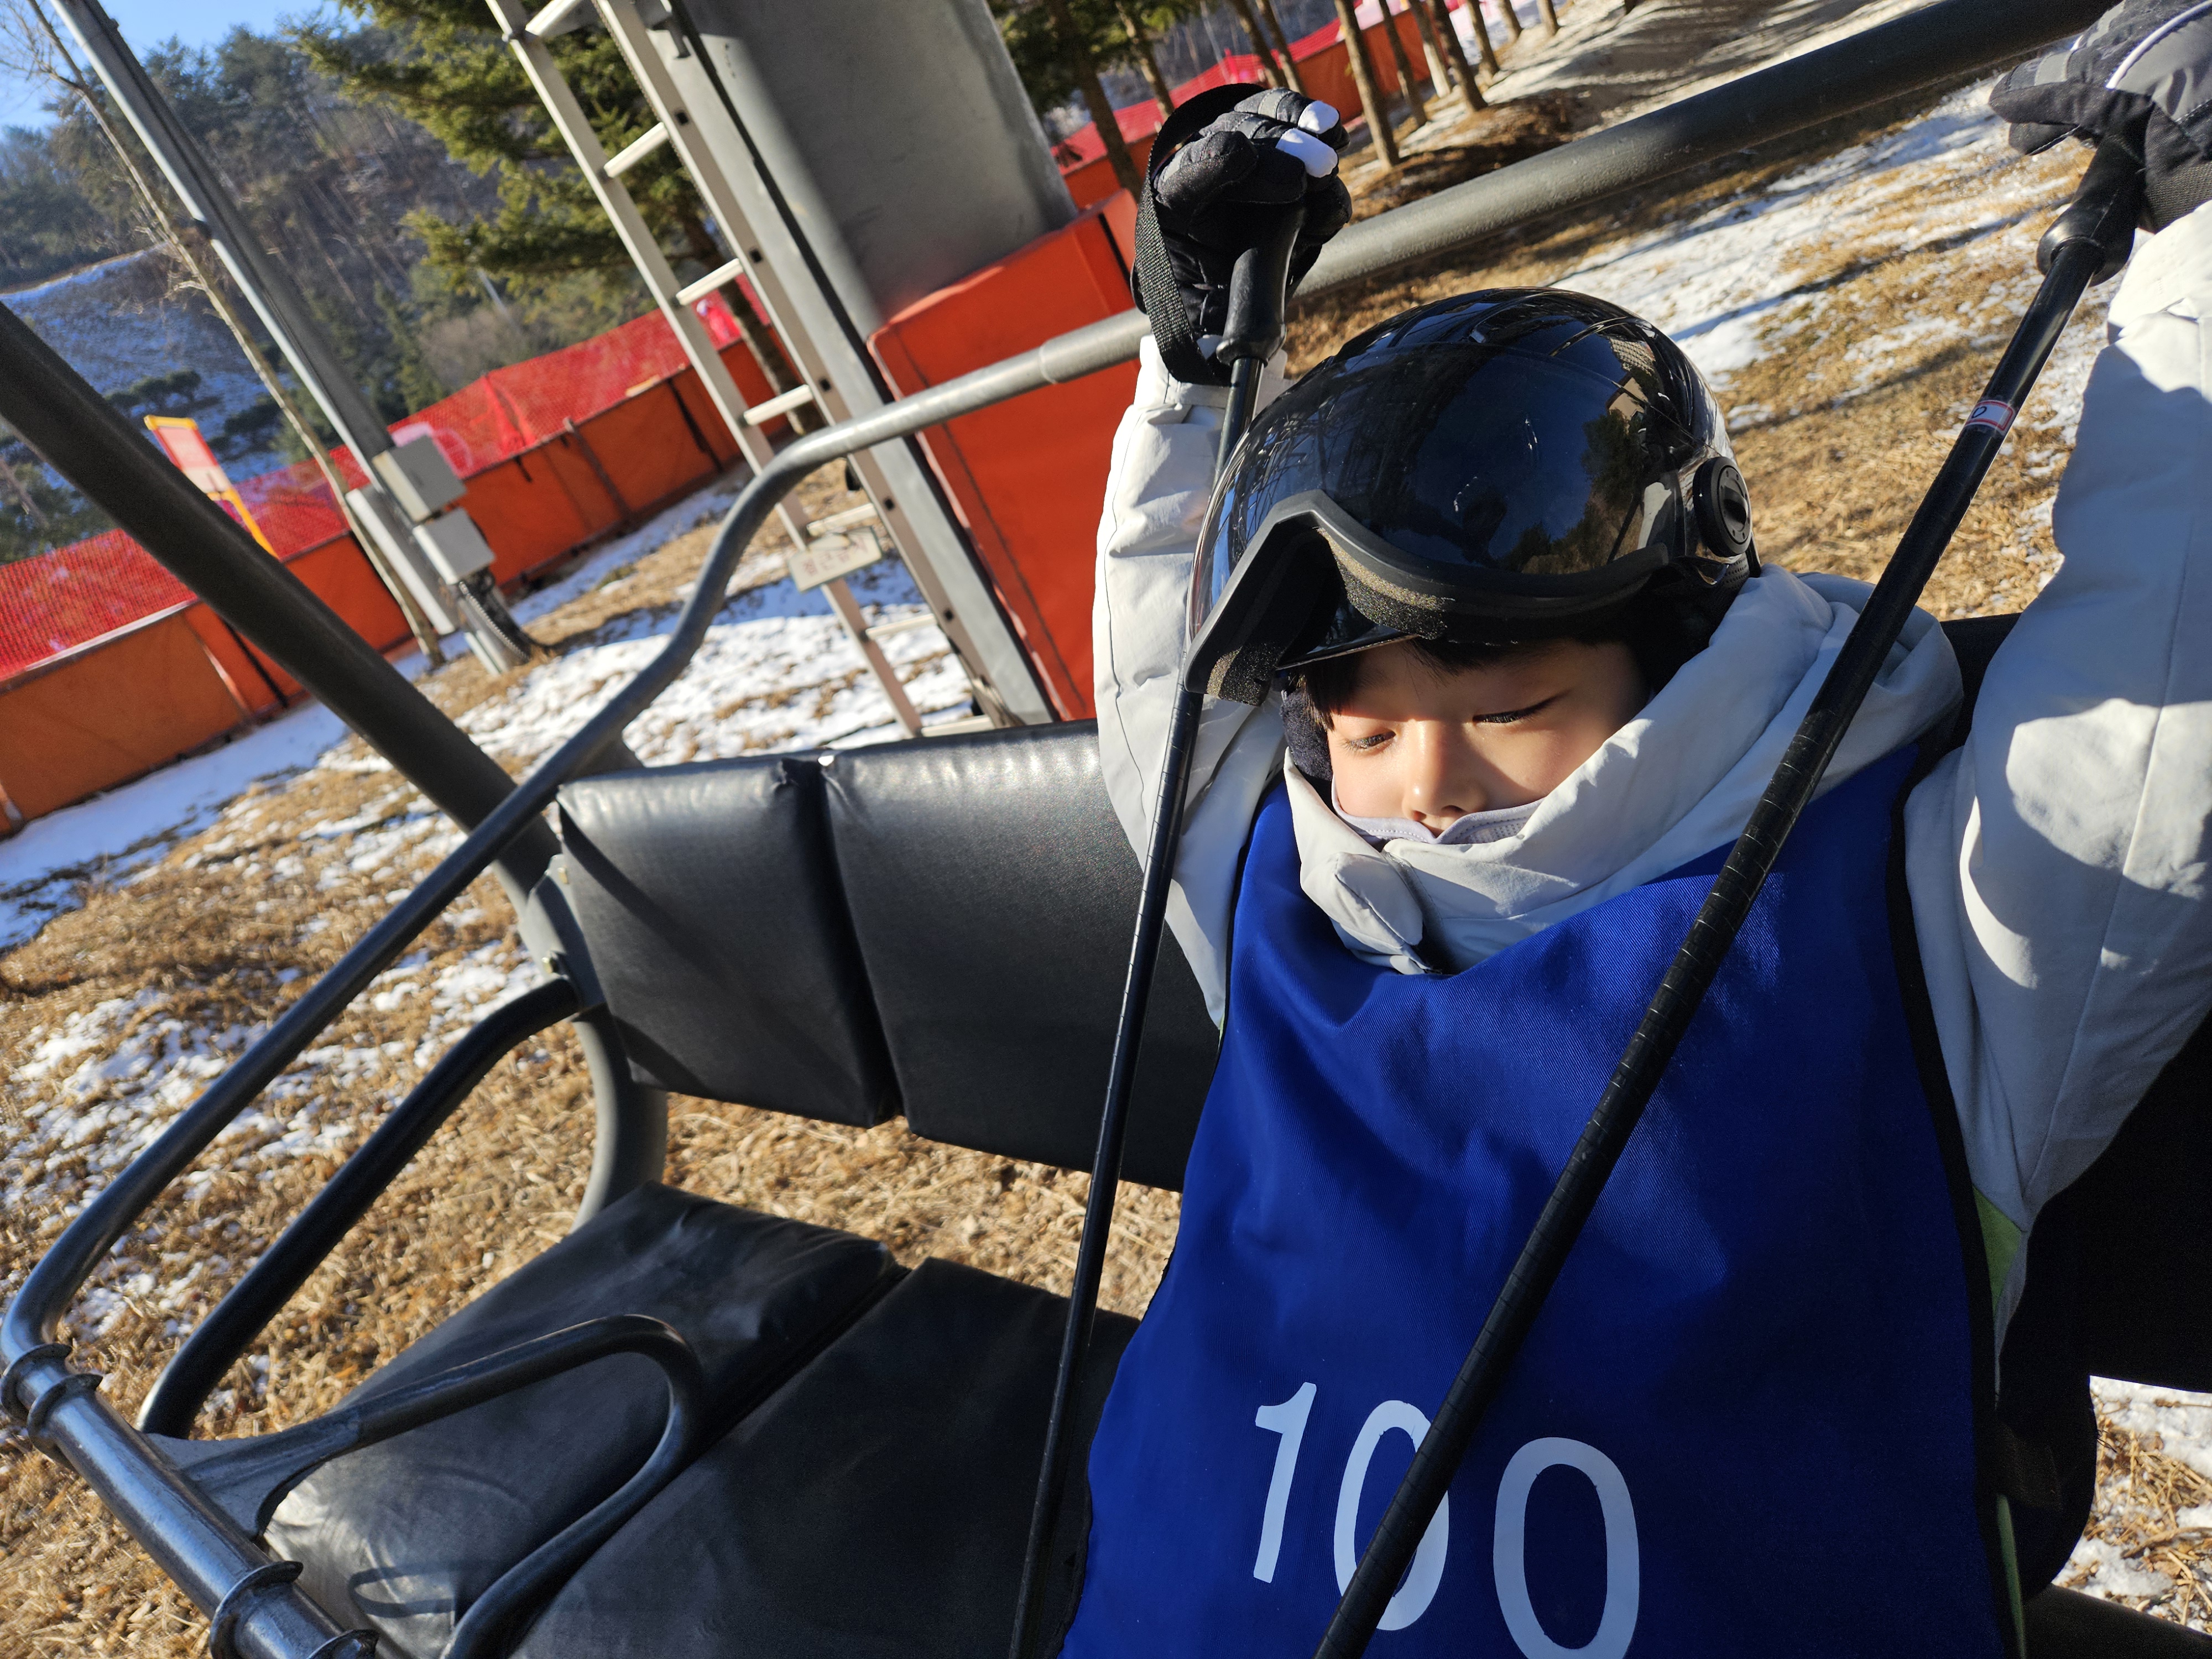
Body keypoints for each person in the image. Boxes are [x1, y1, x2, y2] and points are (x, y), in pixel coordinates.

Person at [1057, 7, 2212, 1654]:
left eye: (1510, 709)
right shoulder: (1285, 893)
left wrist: (2199, 234)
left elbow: (2153, 721)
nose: (1423, 788)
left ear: (1675, 651)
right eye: (1363, 728)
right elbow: (1167, 690)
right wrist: (1195, 361)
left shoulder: (1898, 929)